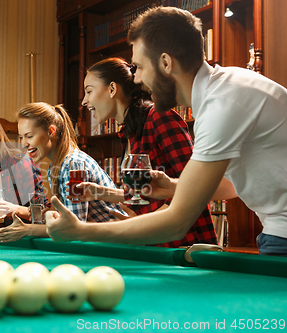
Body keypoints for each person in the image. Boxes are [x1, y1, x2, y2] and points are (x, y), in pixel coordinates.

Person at [46, 6, 287, 256]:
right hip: (276, 232)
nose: (136, 79)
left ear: (165, 63)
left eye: (139, 67)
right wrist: (173, 186)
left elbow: (176, 222)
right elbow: (232, 186)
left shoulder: (222, 103)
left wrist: (79, 231)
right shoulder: (222, 90)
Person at [74, 57, 217, 247]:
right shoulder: (129, 133)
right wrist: (99, 192)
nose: (84, 101)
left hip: (184, 246)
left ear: (112, 89)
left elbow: (194, 188)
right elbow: (146, 193)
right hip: (152, 243)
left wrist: (135, 226)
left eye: (89, 91)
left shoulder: (160, 117)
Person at [0, 102, 127, 243]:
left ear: (51, 131)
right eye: (22, 137)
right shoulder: (56, 166)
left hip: (118, 245)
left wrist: (28, 229)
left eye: (30, 136)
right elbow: (65, 218)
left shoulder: (72, 165)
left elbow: (73, 227)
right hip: (102, 243)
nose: (24, 143)